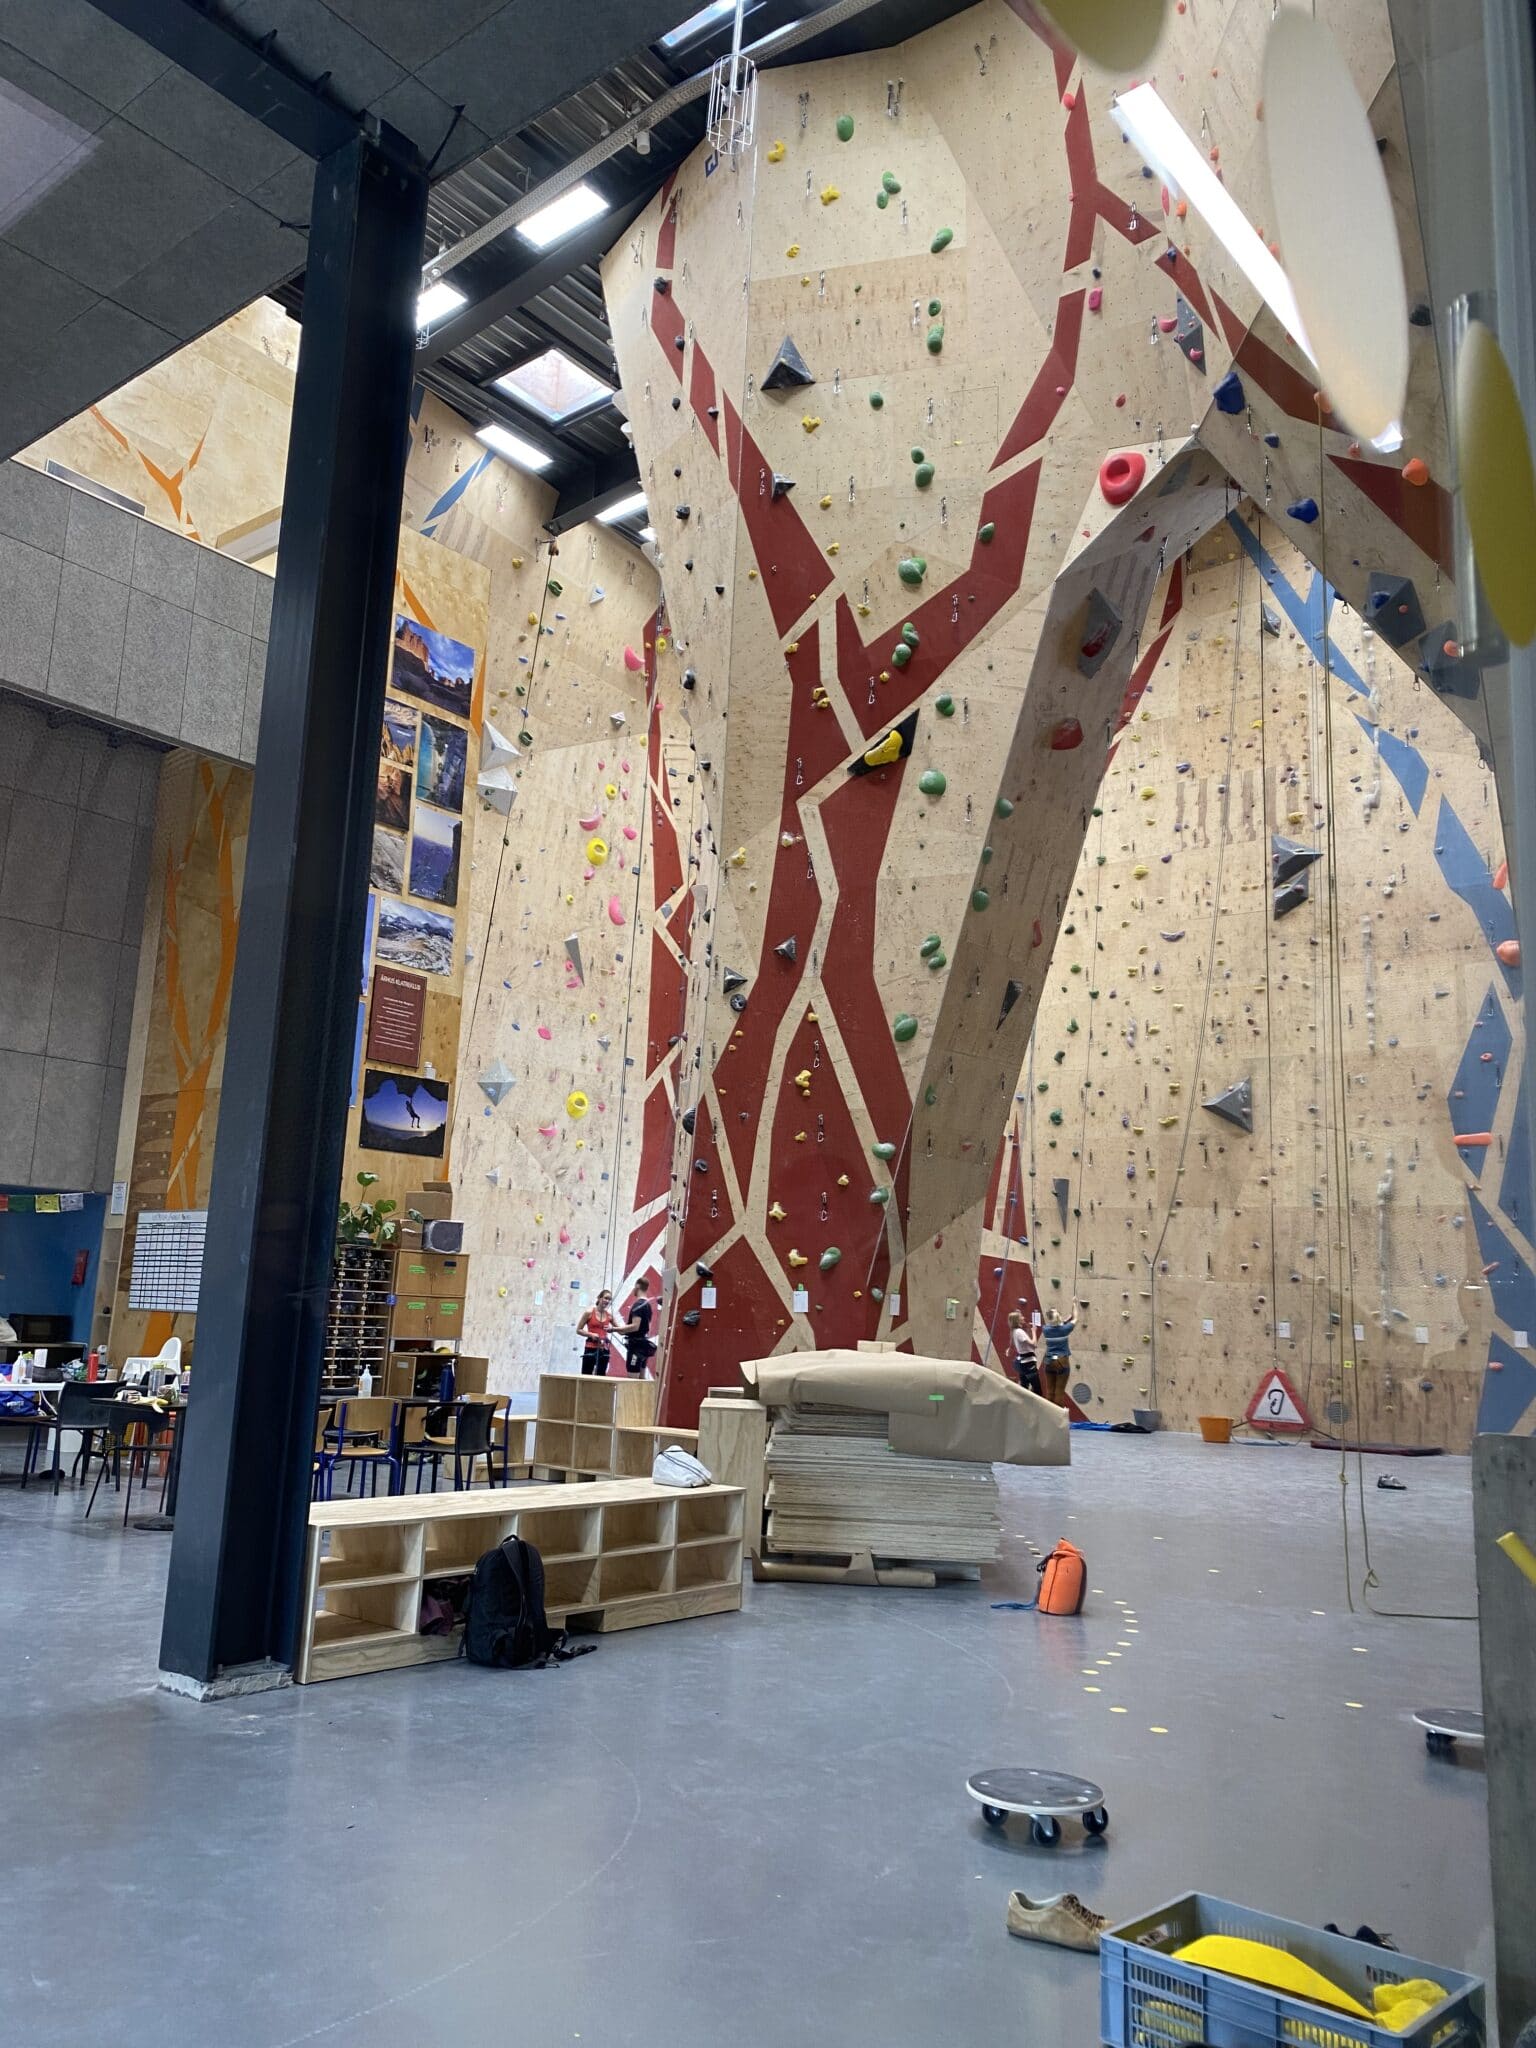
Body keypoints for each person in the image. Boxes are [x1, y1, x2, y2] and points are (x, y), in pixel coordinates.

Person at [618, 1276, 657, 1378]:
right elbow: (645, 1326)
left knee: (632, 1379)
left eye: (634, 1286)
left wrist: (615, 1329)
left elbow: (635, 1326)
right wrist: (621, 1329)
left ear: (638, 1286)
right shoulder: (647, 1305)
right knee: (641, 1379)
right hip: (643, 1346)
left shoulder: (638, 1304)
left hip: (636, 1348)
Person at [1040, 1309, 1076, 1408]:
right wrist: (1074, 1305)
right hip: (1061, 1360)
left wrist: (1065, 1320)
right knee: (1059, 1392)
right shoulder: (1065, 1329)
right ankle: (1058, 1415)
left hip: (1049, 1360)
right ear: (1058, 1317)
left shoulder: (1045, 1329)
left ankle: (1049, 1414)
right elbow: (1076, 1318)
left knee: (1050, 1392)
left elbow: (1056, 1326)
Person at [576, 1291, 614, 1376]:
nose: (607, 1301)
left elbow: (620, 1329)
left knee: (601, 1376)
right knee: (586, 1375)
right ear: (599, 1298)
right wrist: (591, 1334)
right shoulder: (589, 1313)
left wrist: (613, 1329)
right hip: (590, 1348)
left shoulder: (609, 1315)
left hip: (604, 1349)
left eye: (609, 1299)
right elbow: (578, 1330)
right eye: (606, 1298)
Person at [1007, 1311, 1040, 1395]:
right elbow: (1034, 1344)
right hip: (1028, 1364)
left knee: (1024, 1388)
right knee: (1037, 1391)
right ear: (1017, 1320)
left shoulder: (1015, 1331)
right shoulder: (1019, 1332)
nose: (1023, 1317)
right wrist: (1034, 1331)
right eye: (1021, 1316)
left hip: (1023, 1363)